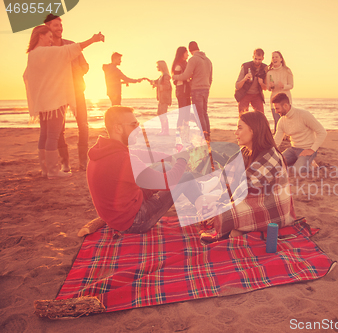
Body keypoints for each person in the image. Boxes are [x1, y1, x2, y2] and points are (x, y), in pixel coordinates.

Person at [86, 106, 204, 234]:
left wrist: (171, 157)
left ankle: (199, 194)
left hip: (117, 215)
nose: (138, 128)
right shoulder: (125, 160)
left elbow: (141, 153)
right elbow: (169, 181)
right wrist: (182, 159)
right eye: (133, 125)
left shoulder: (103, 151)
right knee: (186, 178)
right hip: (135, 222)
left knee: (165, 167)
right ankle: (207, 211)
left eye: (138, 123)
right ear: (118, 128)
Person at [199, 111, 295, 242]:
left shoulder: (270, 156)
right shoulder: (246, 150)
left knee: (222, 214)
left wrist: (220, 209)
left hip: (271, 209)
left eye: (240, 128)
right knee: (209, 203)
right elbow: (227, 177)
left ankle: (234, 231)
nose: (235, 133)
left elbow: (244, 190)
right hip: (251, 201)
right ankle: (236, 230)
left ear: (253, 130)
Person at [23, 25, 104, 179]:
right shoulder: (46, 51)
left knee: (44, 135)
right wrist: (93, 40)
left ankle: (46, 170)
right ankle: (53, 172)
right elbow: (70, 50)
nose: (51, 40)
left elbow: (27, 76)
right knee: (52, 136)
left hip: (43, 102)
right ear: (41, 36)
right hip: (55, 101)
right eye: (49, 37)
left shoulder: (32, 54)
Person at [44, 14, 89, 171]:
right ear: (47, 27)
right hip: (57, 94)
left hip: (77, 91)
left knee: (83, 125)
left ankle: (84, 161)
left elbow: (86, 66)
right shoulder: (45, 49)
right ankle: (65, 163)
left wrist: (77, 69)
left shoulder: (71, 45)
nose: (60, 28)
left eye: (60, 25)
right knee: (59, 130)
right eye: (56, 26)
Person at [272, 93, 327, 174]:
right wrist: (270, 152)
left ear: (286, 106)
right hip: (293, 149)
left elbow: (322, 132)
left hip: (307, 149)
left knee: (296, 171)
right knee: (275, 165)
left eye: (277, 108)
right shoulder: (281, 121)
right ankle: (300, 162)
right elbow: (276, 140)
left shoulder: (304, 115)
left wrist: (312, 150)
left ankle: (312, 165)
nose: (276, 112)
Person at [172, 41, 212, 141]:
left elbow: (186, 75)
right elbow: (210, 78)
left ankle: (203, 135)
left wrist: (174, 76)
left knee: (199, 114)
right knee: (204, 112)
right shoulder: (208, 60)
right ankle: (208, 133)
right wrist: (207, 87)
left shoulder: (193, 60)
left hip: (196, 89)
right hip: (206, 89)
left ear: (190, 50)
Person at [266, 51, 293, 133]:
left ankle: (288, 136)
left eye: (276, 57)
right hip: (274, 99)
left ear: (281, 59)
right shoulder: (269, 73)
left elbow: (291, 85)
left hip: (285, 98)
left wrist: (284, 86)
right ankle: (277, 138)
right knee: (277, 120)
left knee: (287, 119)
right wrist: (270, 86)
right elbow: (268, 88)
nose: (274, 58)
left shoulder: (287, 70)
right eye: (273, 57)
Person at [234, 48, 267, 114]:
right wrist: (245, 79)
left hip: (257, 95)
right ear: (253, 57)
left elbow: (265, 88)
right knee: (243, 116)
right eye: (255, 58)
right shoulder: (246, 66)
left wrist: (261, 83)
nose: (257, 61)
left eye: (259, 59)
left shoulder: (265, 68)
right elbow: (237, 86)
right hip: (244, 94)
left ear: (263, 58)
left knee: (261, 116)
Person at [146, 61, 172, 135]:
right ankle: (163, 130)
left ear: (161, 66)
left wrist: (157, 86)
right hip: (161, 98)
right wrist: (148, 80)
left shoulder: (166, 76)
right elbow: (155, 82)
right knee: (160, 113)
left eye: (158, 66)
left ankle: (165, 131)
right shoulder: (161, 76)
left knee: (163, 114)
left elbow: (167, 87)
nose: (157, 67)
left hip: (164, 98)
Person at [171, 46, 191, 130]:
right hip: (181, 91)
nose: (188, 54)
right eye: (186, 53)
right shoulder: (178, 65)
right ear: (182, 53)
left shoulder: (186, 64)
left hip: (186, 91)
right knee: (182, 112)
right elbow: (176, 81)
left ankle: (185, 129)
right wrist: (185, 78)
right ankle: (179, 130)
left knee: (187, 112)